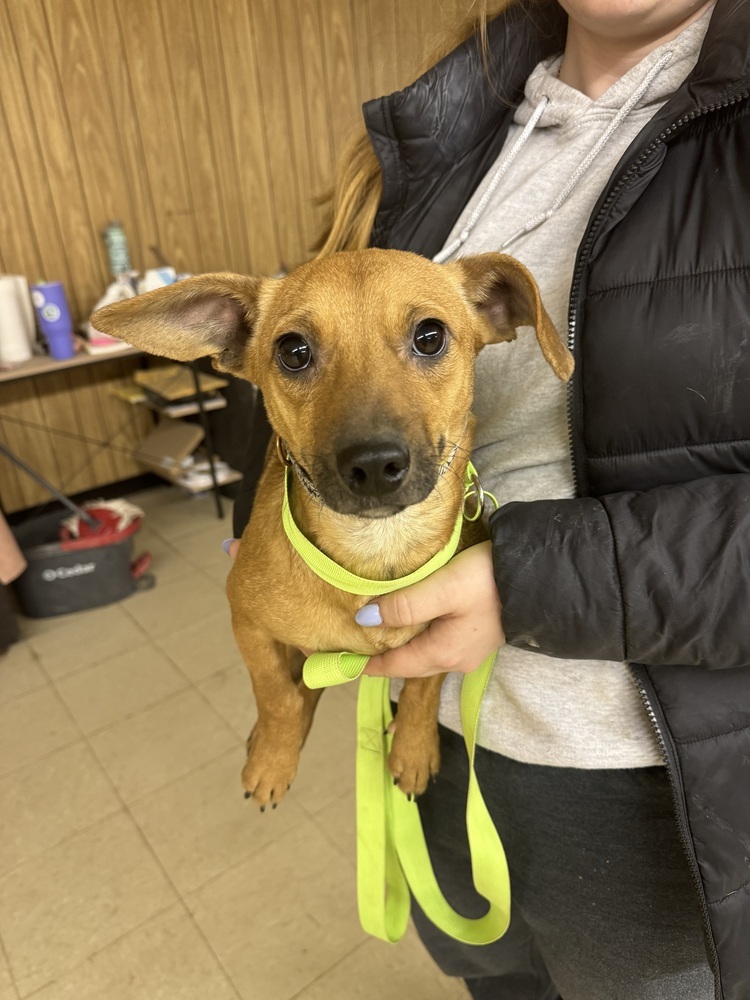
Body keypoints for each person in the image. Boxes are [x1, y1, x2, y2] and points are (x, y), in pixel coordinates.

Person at [228, 1, 750, 997]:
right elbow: (316, 392)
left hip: (632, 777)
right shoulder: (432, 136)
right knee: (490, 979)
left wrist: (527, 580)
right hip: (434, 736)